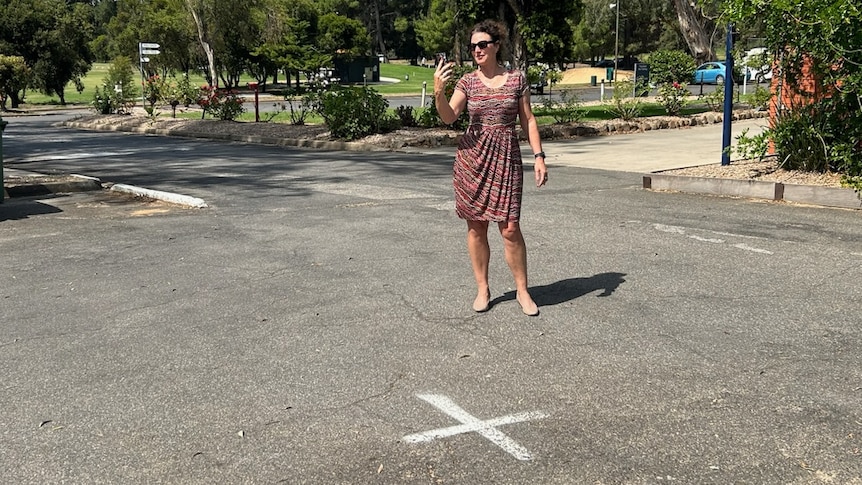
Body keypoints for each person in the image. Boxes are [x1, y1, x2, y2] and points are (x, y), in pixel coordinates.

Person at [433, 19, 548, 316]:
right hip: (472, 159)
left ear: (497, 46)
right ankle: (483, 287)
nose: (477, 50)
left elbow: (528, 120)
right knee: (476, 227)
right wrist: (438, 93)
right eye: (473, 46)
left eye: (482, 44)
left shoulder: (516, 79)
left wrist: (538, 156)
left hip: (506, 157)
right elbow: (449, 117)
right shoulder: (468, 82)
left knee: (510, 228)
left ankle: (522, 290)